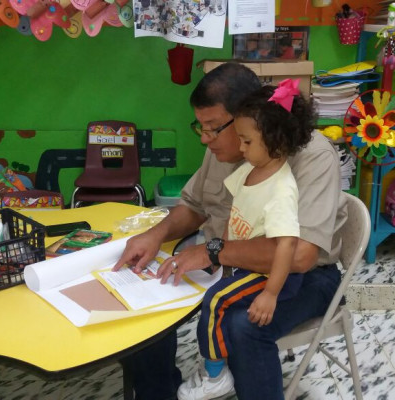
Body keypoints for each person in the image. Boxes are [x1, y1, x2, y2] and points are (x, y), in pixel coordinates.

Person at [114, 62, 346, 400]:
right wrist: (155, 235)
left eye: (212, 127)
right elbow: (194, 207)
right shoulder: (225, 148)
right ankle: (159, 392)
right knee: (148, 290)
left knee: (245, 325)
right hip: (234, 262)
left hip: (305, 276)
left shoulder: (312, 158)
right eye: (200, 127)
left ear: (248, 119)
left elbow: (300, 256)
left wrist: (212, 251)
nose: (205, 139)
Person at [177, 79, 313, 400]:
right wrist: (221, 258)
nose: (240, 148)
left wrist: (270, 294)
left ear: (276, 142)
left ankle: (216, 373)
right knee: (212, 297)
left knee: (215, 301)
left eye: (247, 141)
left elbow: (286, 247)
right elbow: (232, 222)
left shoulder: (281, 190)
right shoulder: (248, 171)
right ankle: (220, 365)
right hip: (246, 269)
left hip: (273, 276)